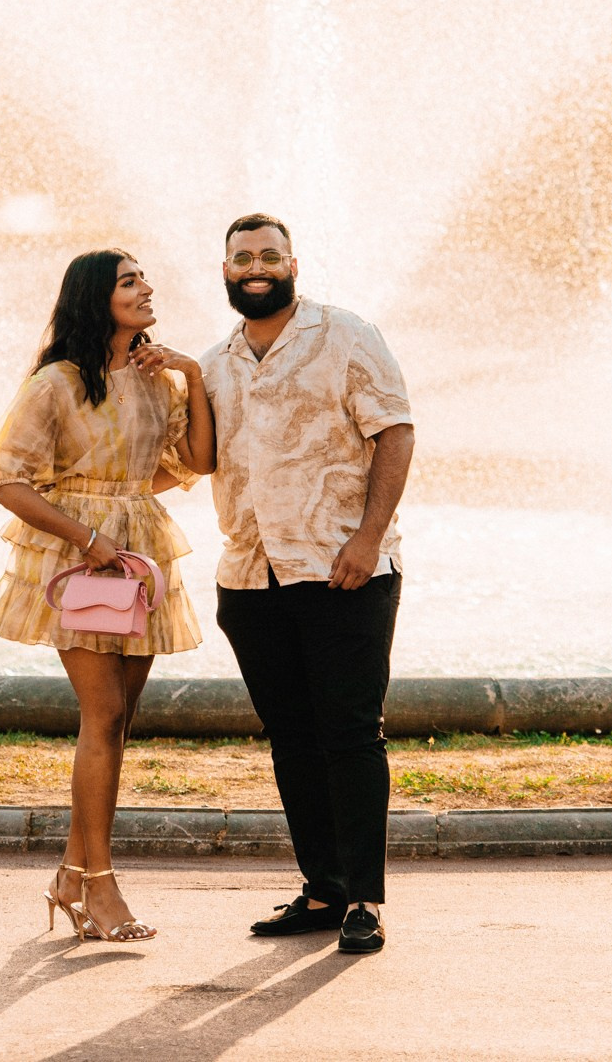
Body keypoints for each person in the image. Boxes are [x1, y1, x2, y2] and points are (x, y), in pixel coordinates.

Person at [199, 214, 415, 955]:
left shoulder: (347, 335)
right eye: (241, 258)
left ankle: (364, 898)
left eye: (267, 255)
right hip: (251, 578)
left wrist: (366, 537)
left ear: (293, 262)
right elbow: (195, 457)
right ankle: (321, 887)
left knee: (352, 735)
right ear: (225, 270)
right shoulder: (214, 363)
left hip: (341, 570)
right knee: (291, 738)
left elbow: (395, 431)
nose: (254, 267)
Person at [0, 248, 214, 944]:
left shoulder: (156, 379)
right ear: (95, 297)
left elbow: (197, 462)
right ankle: (101, 886)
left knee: (114, 725)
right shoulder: (57, 382)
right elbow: (8, 478)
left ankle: (68, 876)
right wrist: (89, 533)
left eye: (145, 276)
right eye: (129, 281)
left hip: (137, 559)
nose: (147, 288)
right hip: (81, 560)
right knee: (104, 710)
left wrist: (192, 374)